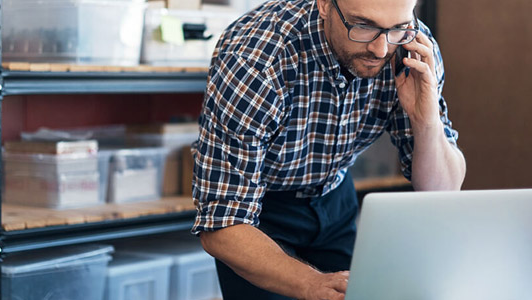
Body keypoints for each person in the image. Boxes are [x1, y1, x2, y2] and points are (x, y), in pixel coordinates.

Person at [191, 0, 466, 298]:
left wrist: (426, 122)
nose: (381, 49)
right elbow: (222, 225)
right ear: (324, 5)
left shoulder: (413, 49)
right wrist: (311, 283)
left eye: (398, 28)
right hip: (259, 213)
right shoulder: (256, 59)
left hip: (335, 195)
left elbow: (442, 190)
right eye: (363, 26)